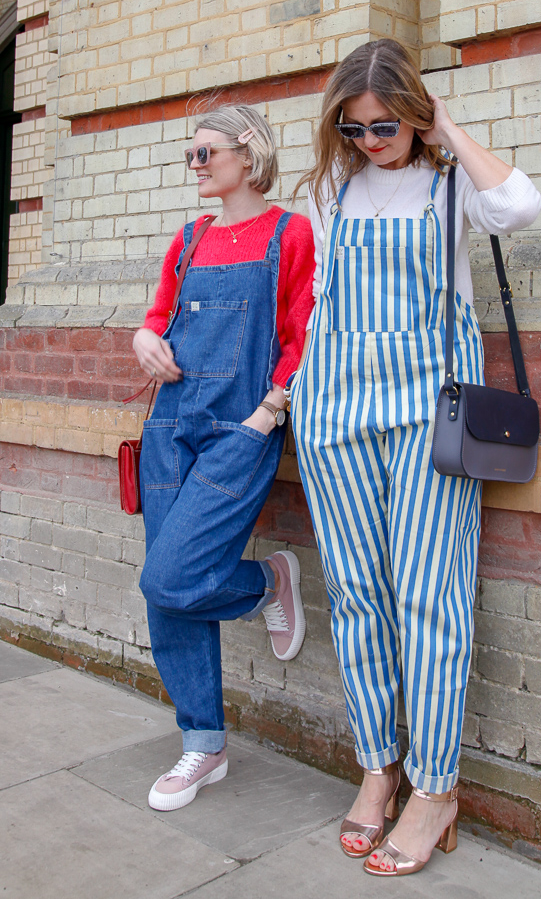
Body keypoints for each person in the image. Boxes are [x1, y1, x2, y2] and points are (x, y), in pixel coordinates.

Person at [290, 39, 541, 877]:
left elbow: (519, 206)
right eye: (354, 129)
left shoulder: (448, 186)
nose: (371, 142)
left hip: (428, 409)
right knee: (357, 593)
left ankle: (435, 787)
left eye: (385, 125)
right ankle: (378, 765)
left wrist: (446, 129)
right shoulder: (333, 189)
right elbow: (320, 298)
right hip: (333, 404)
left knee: (430, 596)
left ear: (416, 112)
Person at [134, 104, 315, 811]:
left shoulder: (289, 233)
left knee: (168, 576)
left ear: (250, 153)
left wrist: (269, 410)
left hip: (239, 427)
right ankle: (203, 744)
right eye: (191, 156)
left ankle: (267, 584)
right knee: (166, 588)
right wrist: (143, 342)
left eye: (207, 153)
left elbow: (305, 331)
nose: (197, 166)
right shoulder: (187, 239)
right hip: (168, 425)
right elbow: (158, 318)